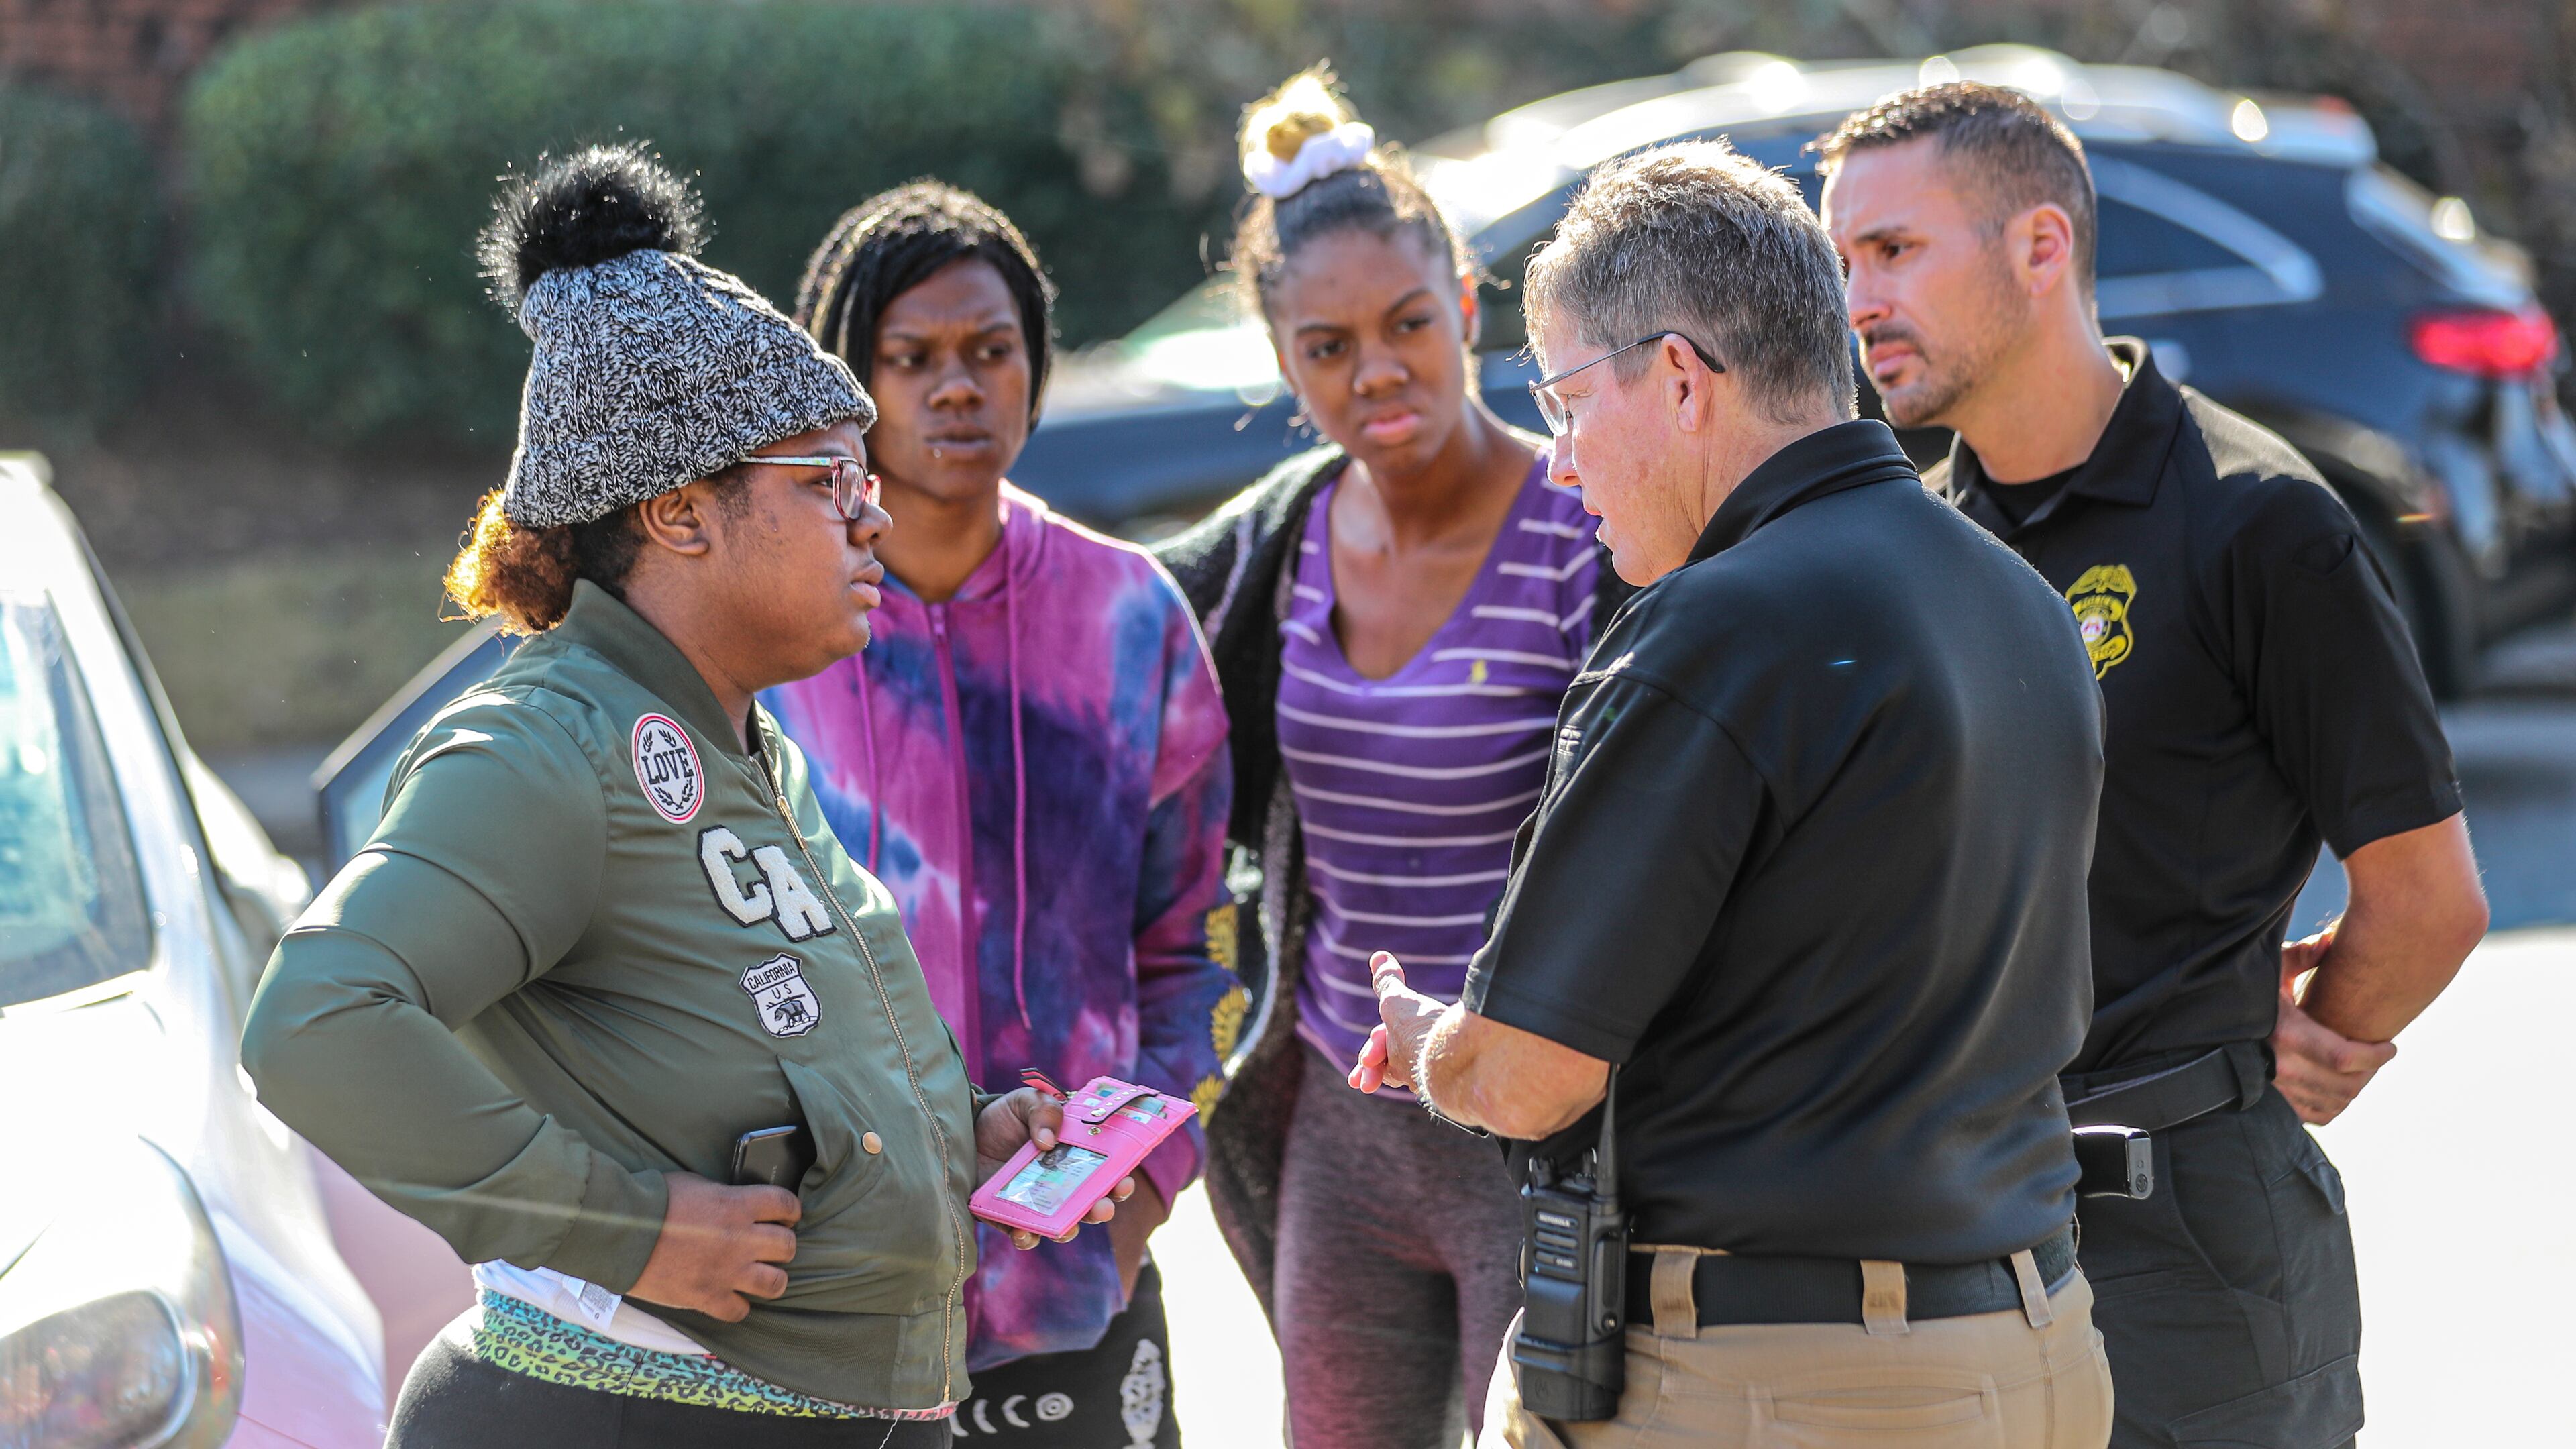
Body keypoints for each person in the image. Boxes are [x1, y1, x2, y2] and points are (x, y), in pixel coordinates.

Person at [239, 145, 1127, 1448]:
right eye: (829, 478)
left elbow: (762, 1072)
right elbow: (315, 1023)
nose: (871, 517)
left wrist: (962, 1138)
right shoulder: (551, 742)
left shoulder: (740, 748)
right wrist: (629, 1229)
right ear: (679, 513)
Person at [1355, 139, 2116, 1449]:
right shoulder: (2024, 603)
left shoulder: (1716, 630)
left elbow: (1533, 1075)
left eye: (1563, 403)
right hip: (2032, 1345)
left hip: (1778, 1379)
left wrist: (1433, 1049)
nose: (1559, 460)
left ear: (1679, 380)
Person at [1815, 83, 2490, 1449]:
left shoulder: (2260, 523)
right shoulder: (1913, 553)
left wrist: (2316, 1041)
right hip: (1955, 1232)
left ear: (2041, 247)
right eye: (1843, 261)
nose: (1859, 298)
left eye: (1895, 250)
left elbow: (2430, 895)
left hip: (2191, 1235)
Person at [1152, 67, 1627, 1449]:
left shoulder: (1588, 529)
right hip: (1341, 1131)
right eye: (1328, 345)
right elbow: (1109, 676)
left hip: (1527, 1125)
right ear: (1282, 358)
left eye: (1410, 323)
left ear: (1468, 307)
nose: (1377, 371)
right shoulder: (1273, 546)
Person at [763, 181, 1235, 1448]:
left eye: (990, 351)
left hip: (1076, 1284)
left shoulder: (1132, 622)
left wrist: (1148, 1188)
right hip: (825, 1301)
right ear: (844, 386)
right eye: (909, 360)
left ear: (1036, 365)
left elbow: (1202, 948)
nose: (955, 388)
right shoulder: (767, 639)